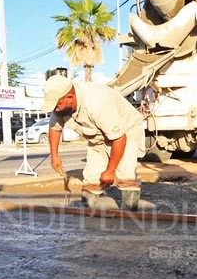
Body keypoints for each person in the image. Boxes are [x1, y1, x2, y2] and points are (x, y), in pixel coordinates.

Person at [43, 74, 145, 210]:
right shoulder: (61, 107)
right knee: (92, 176)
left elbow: (120, 139)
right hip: (98, 137)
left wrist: (110, 170)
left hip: (127, 130)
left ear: (69, 98)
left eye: (57, 105)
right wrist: (54, 156)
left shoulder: (97, 102)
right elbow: (55, 128)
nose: (55, 109)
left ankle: (129, 217)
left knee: (125, 173)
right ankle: (88, 214)